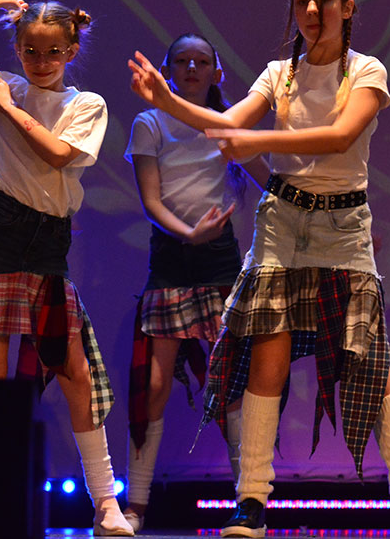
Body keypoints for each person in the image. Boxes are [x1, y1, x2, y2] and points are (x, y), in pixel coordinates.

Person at [129, 0, 390, 539]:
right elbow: (227, 122)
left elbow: (340, 137)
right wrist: (166, 102)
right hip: (282, 223)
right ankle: (251, 501)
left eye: (324, 0)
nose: (313, 11)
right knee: (267, 360)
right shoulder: (279, 73)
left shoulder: (366, 70)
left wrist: (255, 140)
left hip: (342, 228)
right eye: (303, 1)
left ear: (347, 8)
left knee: (368, 363)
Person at [0, 0, 133, 536]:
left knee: (75, 373)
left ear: (71, 51)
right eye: (30, 50)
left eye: (53, 51)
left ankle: (105, 503)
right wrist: (0, 0)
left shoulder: (85, 104)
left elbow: (58, 155)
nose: (41, 62)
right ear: (17, 48)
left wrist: (8, 107)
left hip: (46, 244)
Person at [122, 33, 269, 534]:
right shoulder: (150, 123)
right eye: (181, 61)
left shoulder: (227, 126)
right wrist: (188, 235)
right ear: (166, 71)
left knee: (230, 385)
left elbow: (271, 182)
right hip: (172, 260)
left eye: (200, 61)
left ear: (216, 72)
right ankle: (136, 503)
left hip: (219, 262)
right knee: (154, 385)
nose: (190, 68)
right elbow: (151, 201)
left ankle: (247, 503)